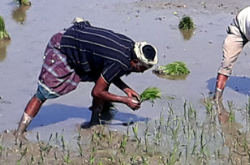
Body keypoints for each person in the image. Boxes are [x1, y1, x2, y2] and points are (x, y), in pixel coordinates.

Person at [13, 19, 158, 137]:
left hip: (82, 49)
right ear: (134, 62)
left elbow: (109, 73)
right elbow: (96, 92)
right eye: (144, 68)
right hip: (63, 48)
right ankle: (19, 132)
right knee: (43, 92)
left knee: (103, 82)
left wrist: (126, 89)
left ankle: (94, 122)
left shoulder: (129, 48)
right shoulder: (120, 62)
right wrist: (125, 100)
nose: (144, 72)